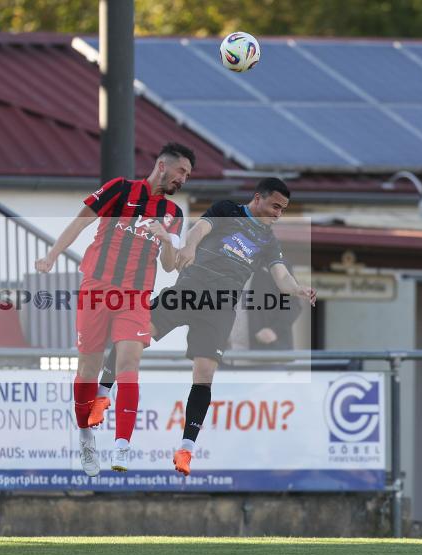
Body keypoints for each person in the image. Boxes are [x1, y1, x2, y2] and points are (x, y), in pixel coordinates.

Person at [99, 178, 316, 476]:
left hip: (220, 308)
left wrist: (298, 289)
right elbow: (199, 229)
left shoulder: (268, 241)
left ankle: (186, 448)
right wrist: (189, 247)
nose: (278, 214)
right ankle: (101, 392)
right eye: (275, 206)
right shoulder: (227, 210)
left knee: (204, 375)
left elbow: (282, 278)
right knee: (132, 336)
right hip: (189, 291)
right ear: (258, 198)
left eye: (283, 209)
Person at [35, 142, 192, 476]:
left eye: (188, 175)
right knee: (88, 368)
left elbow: (169, 265)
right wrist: (51, 255)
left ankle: (122, 445)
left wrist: (166, 239)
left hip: (135, 295)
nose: (184, 179)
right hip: (97, 287)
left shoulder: (174, 215)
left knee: (129, 361)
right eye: (181, 171)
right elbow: (79, 223)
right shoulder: (120, 189)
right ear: (162, 166)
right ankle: (85, 434)